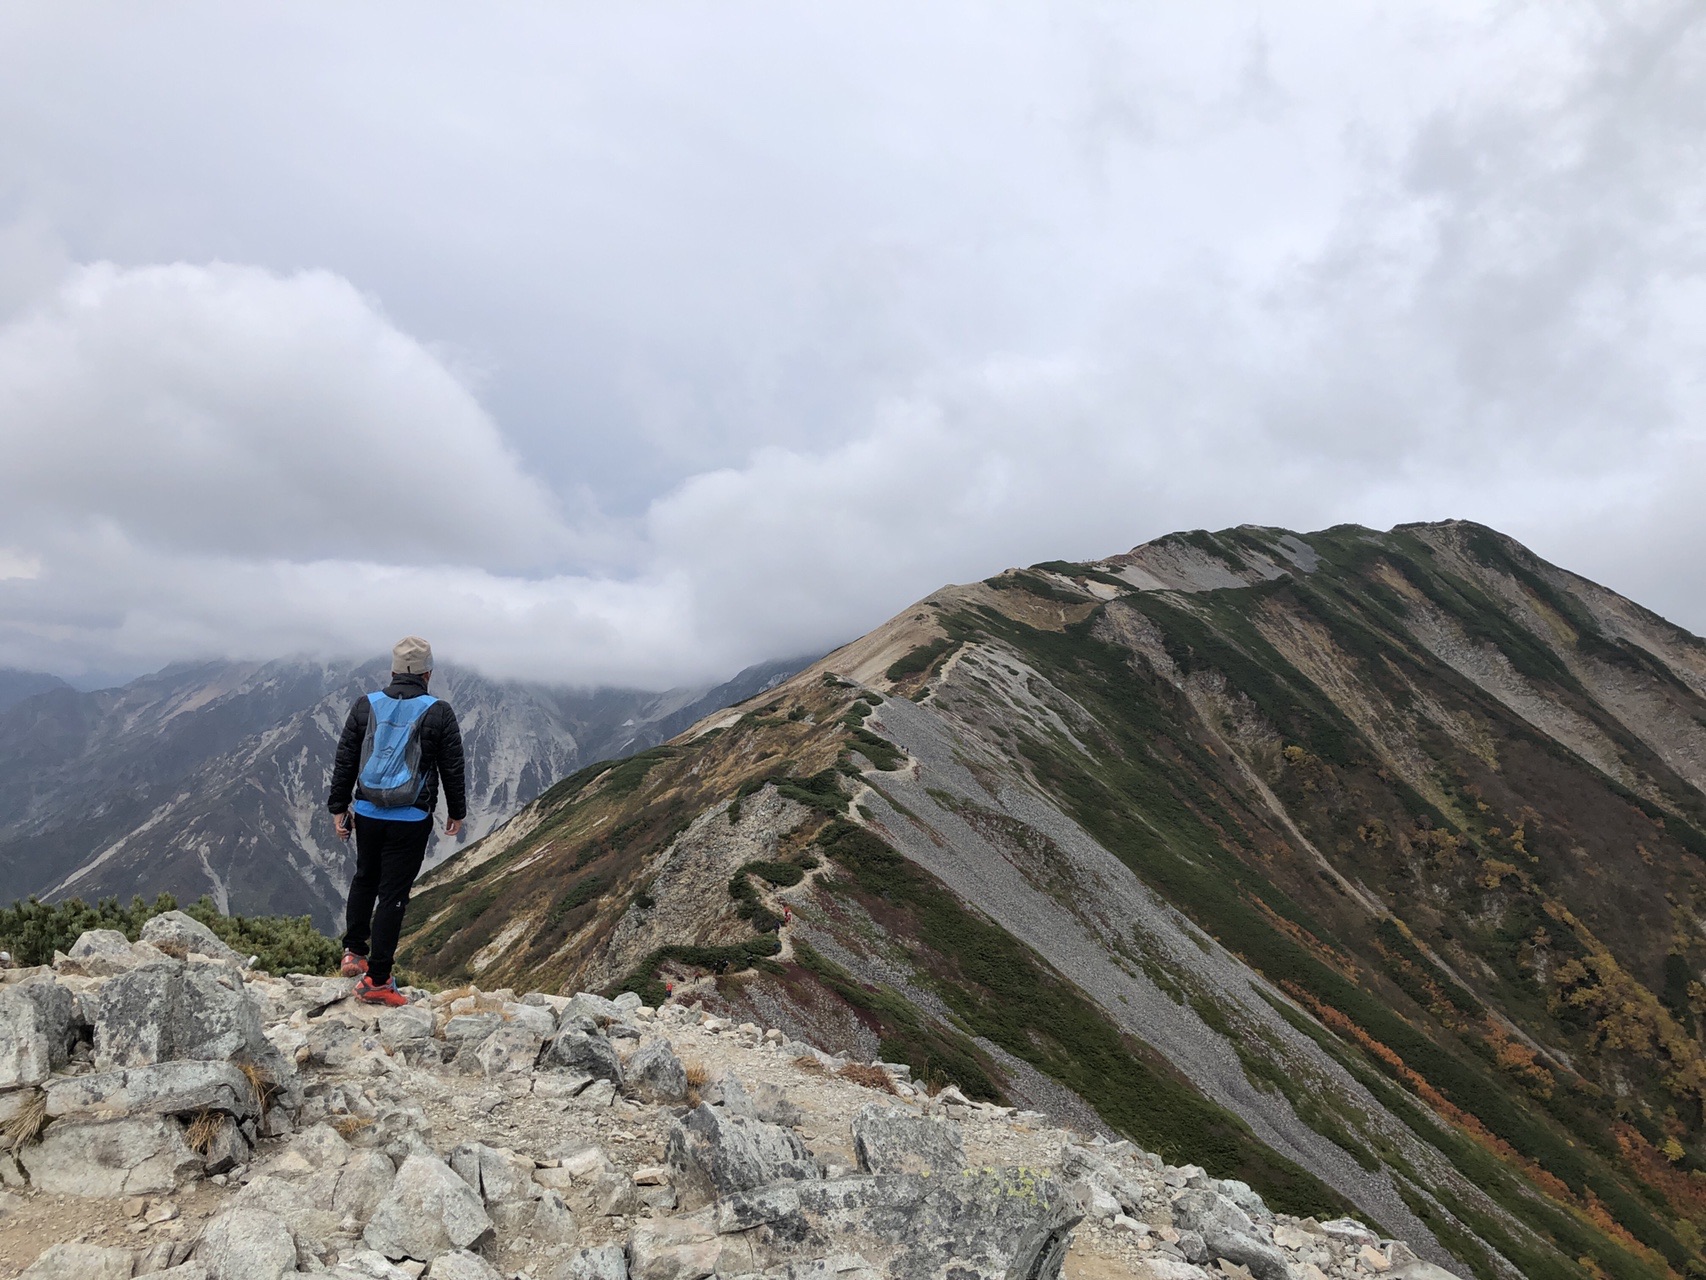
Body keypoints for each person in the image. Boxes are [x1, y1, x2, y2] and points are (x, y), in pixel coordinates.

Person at [327, 636, 467, 1006]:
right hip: (410, 817)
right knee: (392, 896)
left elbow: (346, 760)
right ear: (427, 673)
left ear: (391, 670)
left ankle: (353, 953)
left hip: (368, 812)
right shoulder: (438, 711)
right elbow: (451, 766)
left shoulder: (365, 705)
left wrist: (339, 807)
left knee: (364, 878)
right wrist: (457, 812)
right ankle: (377, 980)